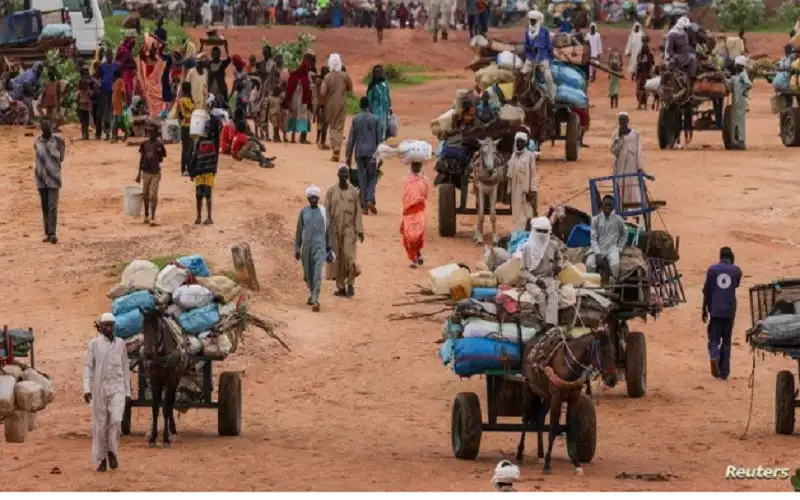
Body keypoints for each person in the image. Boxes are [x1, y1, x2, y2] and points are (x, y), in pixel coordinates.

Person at [83, 313, 131, 472]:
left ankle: (112, 451)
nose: (109, 328)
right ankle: (101, 458)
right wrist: (87, 389)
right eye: (106, 325)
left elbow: (125, 368)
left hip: (117, 388)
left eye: (111, 325)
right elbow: (88, 367)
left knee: (116, 421)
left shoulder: (120, 344)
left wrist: (128, 392)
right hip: (99, 389)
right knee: (100, 425)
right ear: (101, 327)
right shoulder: (94, 344)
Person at [702, 246, 741, 380]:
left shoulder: (712, 270)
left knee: (714, 339)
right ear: (731, 257)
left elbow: (706, 291)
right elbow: (735, 285)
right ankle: (724, 372)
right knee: (726, 342)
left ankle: (714, 355)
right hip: (729, 311)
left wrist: (704, 309)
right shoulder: (736, 270)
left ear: (720, 256)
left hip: (715, 310)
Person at [325, 165, 364, 297]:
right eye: (342, 174)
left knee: (348, 256)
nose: (344, 177)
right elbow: (327, 211)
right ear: (338, 175)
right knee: (338, 259)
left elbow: (358, 212)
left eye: (346, 175)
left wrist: (360, 230)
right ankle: (341, 288)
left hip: (349, 228)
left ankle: (351, 282)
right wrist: (325, 230)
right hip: (335, 228)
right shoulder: (331, 191)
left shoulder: (353, 192)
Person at [294, 186, 333, 312]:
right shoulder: (303, 212)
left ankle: (316, 300)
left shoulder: (323, 212)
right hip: (306, 247)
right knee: (307, 274)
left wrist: (329, 247)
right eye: (311, 197)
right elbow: (299, 231)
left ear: (318, 198)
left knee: (317, 273)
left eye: (315, 197)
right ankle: (312, 294)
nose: (313, 199)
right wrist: (297, 248)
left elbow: (328, 231)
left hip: (320, 246)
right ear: (308, 198)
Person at [520, 216, 563, 326]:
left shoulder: (552, 245)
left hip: (548, 278)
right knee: (540, 296)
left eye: (545, 231)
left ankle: (551, 325)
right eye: (539, 231)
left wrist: (559, 266)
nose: (542, 234)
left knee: (553, 295)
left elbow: (560, 258)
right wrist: (535, 280)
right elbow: (523, 271)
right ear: (534, 231)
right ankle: (543, 323)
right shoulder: (527, 248)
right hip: (532, 281)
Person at [346, 97, 382, 215]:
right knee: (372, 177)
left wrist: (348, 156)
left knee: (362, 178)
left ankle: (364, 207)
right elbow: (379, 140)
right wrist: (380, 157)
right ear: (369, 105)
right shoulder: (375, 119)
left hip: (359, 152)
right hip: (372, 153)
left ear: (360, 106)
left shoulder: (356, 119)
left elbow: (351, 139)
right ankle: (369, 199)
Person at [34, 119, 65, 244]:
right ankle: (47, 232)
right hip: (41, 178)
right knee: (45, 207)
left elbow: (62, 157)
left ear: (51, 126)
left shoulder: (59, 141)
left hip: (53, 177)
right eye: (44, 125)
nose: (46, 127)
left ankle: (52, 233)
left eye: (48, 125)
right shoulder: (37, 142)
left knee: (52, 206)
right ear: (41, 127)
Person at [188, 113, 220, 224]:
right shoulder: (201, 142)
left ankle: (206, 217)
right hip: (202, 170)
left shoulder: (207, 142)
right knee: (201, 194)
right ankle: (201, 216)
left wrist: (192, 171)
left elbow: (194, 156)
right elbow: (194, 156)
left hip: (205, 170)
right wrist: (192, 171)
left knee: (205, 194)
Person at [320, 53, 353, 162]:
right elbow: (350, 88)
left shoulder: (327, 77)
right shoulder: (344, 76)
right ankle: (337, 149)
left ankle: (335, 148)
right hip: (341, 104)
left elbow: (322, 92)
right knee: (339, 127)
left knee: (332, 127)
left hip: (329, 105)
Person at [586, 195, 627, 282]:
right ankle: (592, 286)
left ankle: (612, 288)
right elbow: (593, 239)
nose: (608, 207)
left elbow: (624, 234)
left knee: (615, 265)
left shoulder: (618, 219)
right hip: (598, 247)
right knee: (589, 264)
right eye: (606, 204)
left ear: (613, 207)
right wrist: (597, 254)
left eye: (610, 205)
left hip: (612, 248)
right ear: (602, 205)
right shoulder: (595, 220)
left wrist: (620, 248)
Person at [136, 124, 167, 226]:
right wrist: (138, 174)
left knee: (153, 194)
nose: (150, 134)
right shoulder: (144, 144)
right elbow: (141, 159)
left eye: (152, 132)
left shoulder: (160, 145)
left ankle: (152, 217)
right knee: (145, 194)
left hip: (155, 173)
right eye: (149, 132)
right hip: (146, 172)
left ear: (156, 133)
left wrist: (155, 159)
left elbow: (162, 157)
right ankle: (146, 214)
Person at [400, 160, 429, 268]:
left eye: (418, 165)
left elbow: (425, 195)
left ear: (421, 166)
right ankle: (415, 258)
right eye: (414, 165)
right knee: (409, 237)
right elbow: (405, 196)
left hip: (419, 212)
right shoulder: (407, 180)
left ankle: (417, 255)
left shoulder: (424, 181)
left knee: (417, 237)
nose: (416, 167)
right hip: (408, 213)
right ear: (411, 166)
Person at [522, 10, 555, 102]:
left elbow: (549, 45)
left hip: (542, 59)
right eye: (531, 20)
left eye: (534, 20)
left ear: (539, 21)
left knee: (548, 76)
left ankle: (551, 97)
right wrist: (531, 48)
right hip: (531, 59)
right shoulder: (527, 32)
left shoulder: (545, 31)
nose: (532, 22)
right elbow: (525, 46)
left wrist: (550, 54)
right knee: (522, 75)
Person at [610, 112, 642, 206]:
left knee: (632, 185)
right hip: (620, 164)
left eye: (624, 119)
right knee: (620, 185)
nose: (622, 122)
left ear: (628, 121)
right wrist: (619, 138)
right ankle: (621, 208)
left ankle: (634, 208)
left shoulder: (636, 134)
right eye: (620, 120)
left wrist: (640, 167)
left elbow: (639, 151)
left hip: (632, 163)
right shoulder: (615, 134)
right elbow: (613, 151)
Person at [507, 132, 537, 230]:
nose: (519, 144)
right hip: (515, 189)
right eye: (518, 142)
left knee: (527, 212)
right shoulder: (513, 156)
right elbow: (510, 176)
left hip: (526, 189)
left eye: (521, 142)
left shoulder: (530, 156)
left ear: (525, 143)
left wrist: (532, 190)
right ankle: (519, 232)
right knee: (516, 212)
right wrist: (509, 190)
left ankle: (527, 232)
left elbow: (533, 174)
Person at [284, 53, 314, 144]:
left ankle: (296, 137)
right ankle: (300, 138)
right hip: (300, 99)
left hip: (298, 99)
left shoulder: (298, 74)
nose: (309, 64)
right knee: (302, 116)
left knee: (297, 115)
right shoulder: (302, 74)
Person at [727, 55, 752, 150]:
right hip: (735, 102)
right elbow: (729, 84)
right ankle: (735, 141)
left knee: (740, 122)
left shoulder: (743, 75)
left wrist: (743, 91)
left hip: (741, 102)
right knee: (735, 121)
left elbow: (749, 84)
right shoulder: (736, 76)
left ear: (741, 66)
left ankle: (742, 142)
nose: (735, 67)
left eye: (737, 65)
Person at [99, 52, 121, 140]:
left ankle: (113, 133)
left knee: (114, 112)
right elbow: (100, 76)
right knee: (105, 112)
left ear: (112, 56)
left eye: (111, 55)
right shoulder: (102, 66)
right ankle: (107, 132)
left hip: (114, 92)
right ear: (106, 56)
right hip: (104, 91)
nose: (109, 57)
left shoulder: (117, 65)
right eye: (108, 55)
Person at [366, 65, 392, 141]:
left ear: (381, 73)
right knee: (375, 127)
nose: (378, 73)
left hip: (384, 110)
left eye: (379, 72)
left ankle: (381, 142)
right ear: (374, 73)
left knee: (384, 127)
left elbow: (388, 96)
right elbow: (369, 98)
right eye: (376, 72)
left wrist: (390, 107)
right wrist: (369, 110)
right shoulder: (372, 85)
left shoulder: (385, 83)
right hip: (374, 110)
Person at [177, 81, 196, 175]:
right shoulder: (189, 101)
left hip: (184, 126)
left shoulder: (180, 101)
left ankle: (184, 168)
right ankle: (187, 168)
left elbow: (179, 115)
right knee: (190, 148)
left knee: (185, 148)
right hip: (191, 126)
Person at [116, 37, 137, 104]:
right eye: (132, 44)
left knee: (128, 90)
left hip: (128, 74)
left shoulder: (126, 51)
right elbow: (120, 64)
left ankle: (127, 107)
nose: (132, 47)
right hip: (124, 73)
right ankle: (125, 106)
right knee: (126, 90)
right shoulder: (124, 51)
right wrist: (131, 66)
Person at [635, 41, 655, 110]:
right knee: (643, 90)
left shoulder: (644, 56)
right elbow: (639, 66)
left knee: (643, 90)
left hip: (645, 75)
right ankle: (642, 105)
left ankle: (641, 105)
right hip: (645, 75)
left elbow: (651, 64)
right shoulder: (644, 55)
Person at [314, 66, 329, 149]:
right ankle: (321, 142)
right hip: (322, 104)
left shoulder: (322, 81)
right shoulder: (321, 81)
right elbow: (320, 95)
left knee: (325, 124)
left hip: (326, 103)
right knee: (323, 124)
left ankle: (322, 141)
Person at [111, 69, 128, 142]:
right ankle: (114, 137)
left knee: (121, 121)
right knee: (115, 122)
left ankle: (127, 133)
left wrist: (124, 102)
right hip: (115, 107)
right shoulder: (114, 83)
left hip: (121, 106)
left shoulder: (120, 81)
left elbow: (123, 92)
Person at [77, 68, 94, 140]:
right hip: (81, 109)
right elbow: (77, 101)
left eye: (86, 85)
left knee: (86, 123)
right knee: (83, 123)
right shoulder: (79, 93)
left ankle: (86, 135)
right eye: (84, 85)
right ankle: (83, 134)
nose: (85, 86)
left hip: (86, 109)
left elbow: (90, 99)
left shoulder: (88, 92)